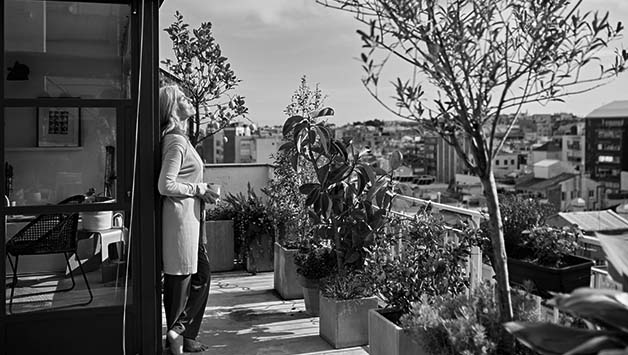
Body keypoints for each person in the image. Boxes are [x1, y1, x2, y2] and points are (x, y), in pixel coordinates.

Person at [158, 85, 218, 355]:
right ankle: (178, 338)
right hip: (180, 221)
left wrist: (202, 191)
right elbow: (165, 184)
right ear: (172, 107)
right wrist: (199, 189)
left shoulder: (181, 138)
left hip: (193, 219)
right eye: (181, 98)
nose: (188, 100)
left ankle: (183, 333)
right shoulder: (176, 141)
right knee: (180, 282)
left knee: (201, 276)